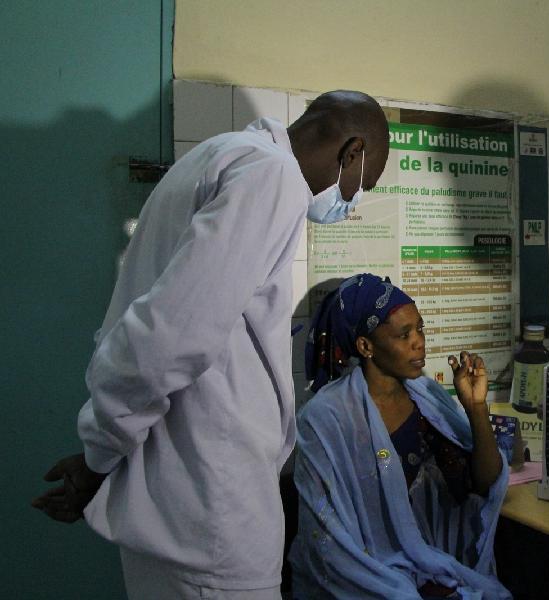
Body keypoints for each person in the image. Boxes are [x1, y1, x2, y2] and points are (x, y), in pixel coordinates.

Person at [31, 90, 390, 599]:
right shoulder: (273, 178)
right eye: (362, 187)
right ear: (352, 152)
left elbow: (157, 322)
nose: (351, 204)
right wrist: (98, 454)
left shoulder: (216, 156)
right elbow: (168, 339)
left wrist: (103, 451)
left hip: (175, 501)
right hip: (211, 515)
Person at [288, 273, 511, 599]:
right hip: (367, 581)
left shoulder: (428, 398)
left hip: (436, 569)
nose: (418, 341)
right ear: (365, 346)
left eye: (419, 328)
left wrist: (476, 408)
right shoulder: (326, 419)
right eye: (403, 334)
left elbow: (484, 484)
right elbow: (328, 543)